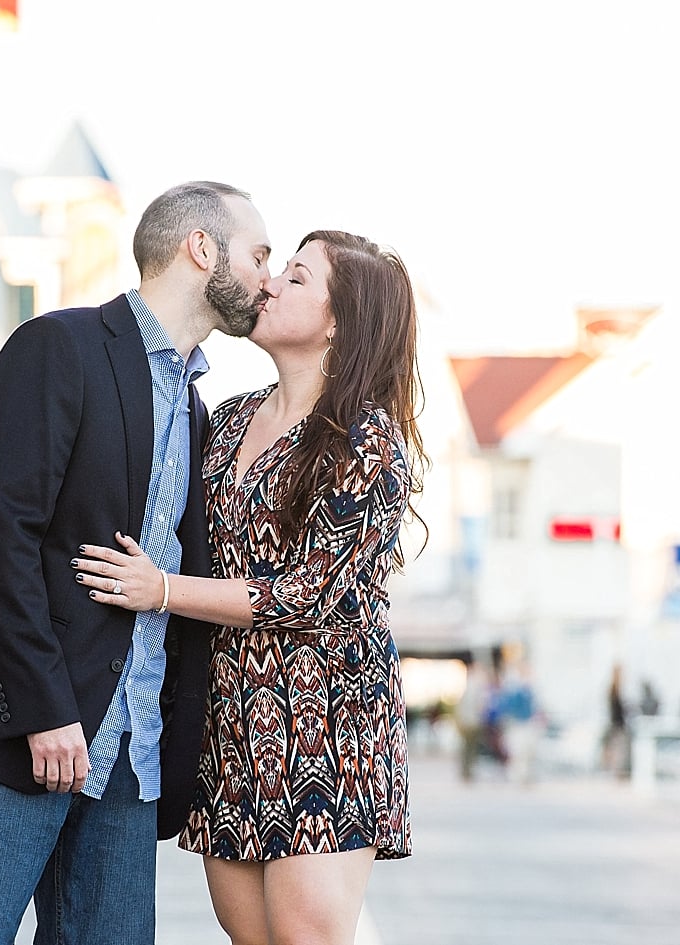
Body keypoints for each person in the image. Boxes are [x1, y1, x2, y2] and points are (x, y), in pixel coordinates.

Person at [0, 181, 272, 945]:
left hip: (130, 760)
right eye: (259, 253)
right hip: (15, 737)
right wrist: (43, 710)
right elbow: (1, 541)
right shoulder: (56, 348)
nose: (268, 274)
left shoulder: (196, 408)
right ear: (202, 248)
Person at [73, 230, 426, 945]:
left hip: (326, 721)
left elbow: (305, 593)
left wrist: (161, 589)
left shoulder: (366, 438)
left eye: (296, 279)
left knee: (305, 937)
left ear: (339, 321)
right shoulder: (228, 418)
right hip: (230, 718)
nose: (269, 285)